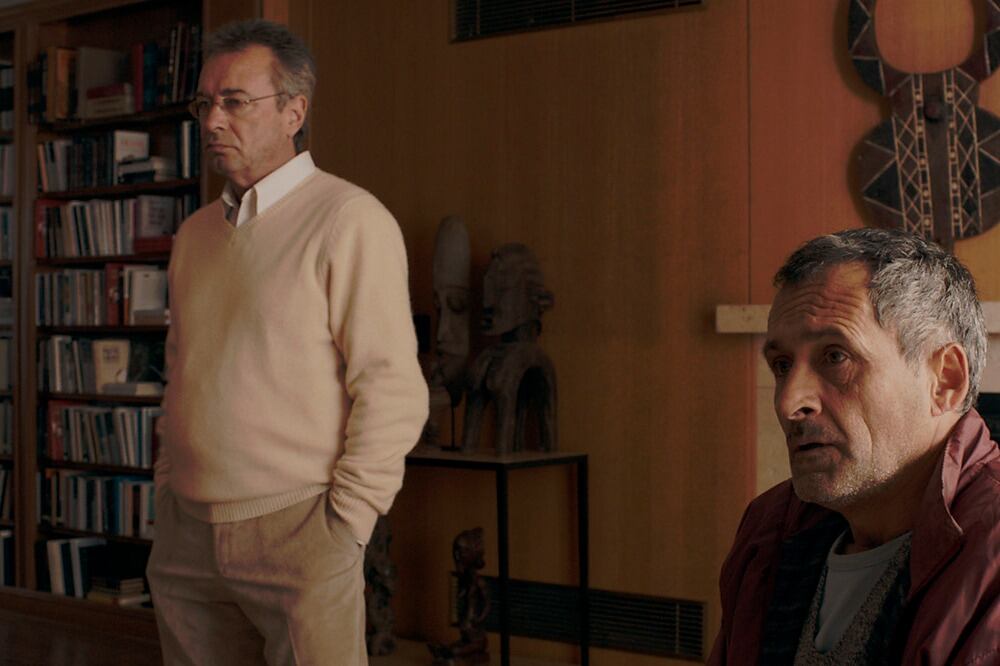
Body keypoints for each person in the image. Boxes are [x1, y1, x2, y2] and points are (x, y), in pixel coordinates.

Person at [146, 19, 428, 665]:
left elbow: (391, 386)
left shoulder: (348, 219)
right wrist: (167, 487)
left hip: (299, 529)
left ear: (294, 112)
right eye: (204, 103)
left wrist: (345, 522)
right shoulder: (194, 235)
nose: (213, 120)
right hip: (186, 532)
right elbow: (182, 369)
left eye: (234, 102)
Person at [709, 228, 1000, 665]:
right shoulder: (767, 528)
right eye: (782, 365)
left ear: (945, 380)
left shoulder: (991, 559)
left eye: (835, 357)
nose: (788, 402)